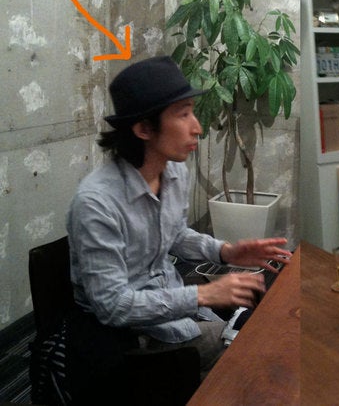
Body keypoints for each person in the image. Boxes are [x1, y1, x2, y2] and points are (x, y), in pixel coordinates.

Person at [66, 56, 292, 393]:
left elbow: (173, 234)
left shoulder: (172, 171)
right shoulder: (96, 203)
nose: (197, 127)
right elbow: (113, 306)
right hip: (123, 336)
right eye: (183, 114)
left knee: (262, 327)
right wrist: (204, 294)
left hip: (167, 300)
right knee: (255, 357)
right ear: (144, 129)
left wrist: (226, 251)